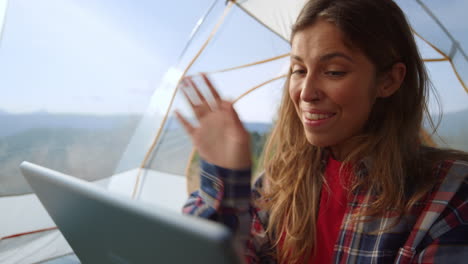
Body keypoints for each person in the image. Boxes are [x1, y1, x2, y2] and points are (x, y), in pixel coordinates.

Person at [175, 0, 468, 263]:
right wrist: (225, 181)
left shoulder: (450, 194)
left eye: (334, 71)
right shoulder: (279, 181)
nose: (306, 93)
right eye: (299, 70)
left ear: (389, 81)